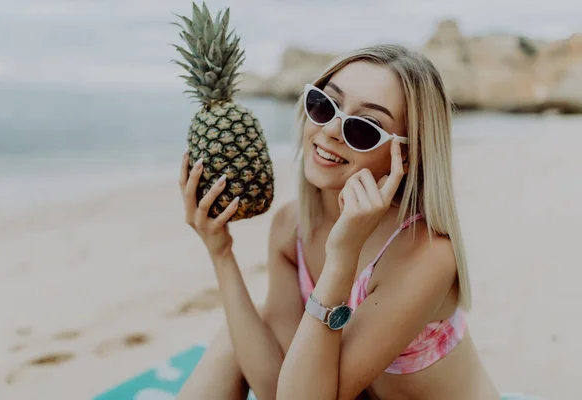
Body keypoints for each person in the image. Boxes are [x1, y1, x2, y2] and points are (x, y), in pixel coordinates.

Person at [177, 44, 502, 400]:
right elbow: (277, 388)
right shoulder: (292, 227)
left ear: (406, 155)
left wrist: (342, 258)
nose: (330, 129)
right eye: (323, 104)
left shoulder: (426, 254)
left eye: (364, 127)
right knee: (237, 330)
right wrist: (221, 253)